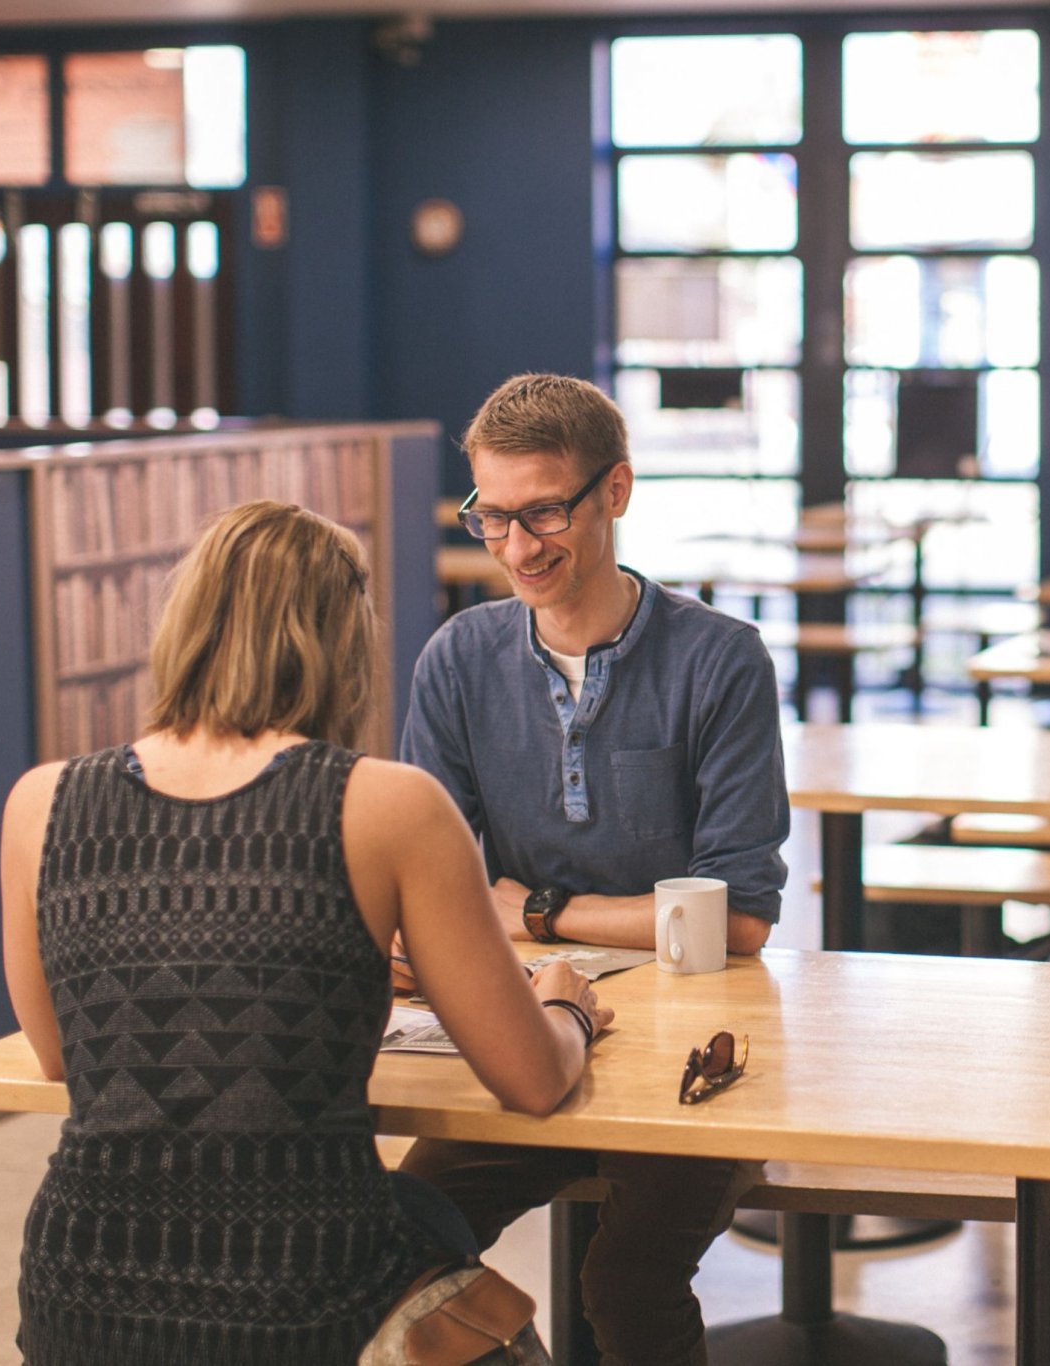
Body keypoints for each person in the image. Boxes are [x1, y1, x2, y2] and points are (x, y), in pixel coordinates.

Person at [0, 499, 609, 1365]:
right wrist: (565, 1009)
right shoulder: (387, 803)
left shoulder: (42, 801)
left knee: (427, 1211)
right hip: (299, 1291)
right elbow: (531, 1081)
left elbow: (63, 1053)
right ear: (342, 643)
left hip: (79, 1292)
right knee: (434, 1231)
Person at [396, 373, 790, 1366]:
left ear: (614, 490)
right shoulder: (456, 660)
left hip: (701, 1041)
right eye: (493, 517)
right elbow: (424, 893)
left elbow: (737, 919)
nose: (519, 549)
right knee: (393, 1237)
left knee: (626, 1276)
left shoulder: (721, 660)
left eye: (543, 513)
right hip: (529, 1025)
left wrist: (536, 908)